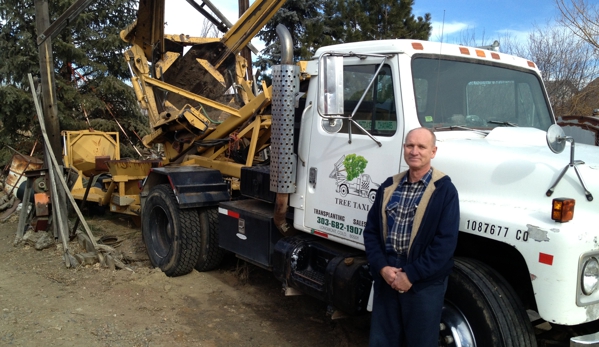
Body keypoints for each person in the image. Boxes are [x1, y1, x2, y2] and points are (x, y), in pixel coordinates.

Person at [364, 127, 460, 346]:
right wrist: (382, 268)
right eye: (410, 145)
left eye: (421, 147)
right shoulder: (389, 186)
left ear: (433, 152)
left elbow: (445, 244)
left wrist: (411, 275)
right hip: (387, 274)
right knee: (383, 340)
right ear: (404, 148)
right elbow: (371, 232)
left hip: (423, 282)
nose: (414, 151)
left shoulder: (444, 191)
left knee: (420, 342)